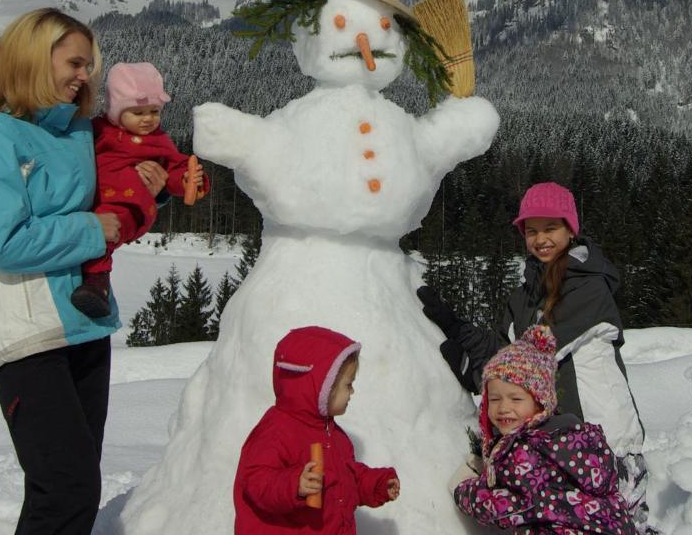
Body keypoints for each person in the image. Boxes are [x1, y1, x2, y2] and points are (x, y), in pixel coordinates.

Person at [0, 8, 167, 534]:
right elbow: (5, 244)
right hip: (27, 335)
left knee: (75, 484)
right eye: (74, 62)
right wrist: (93, 230)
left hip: (86, 324)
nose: (85, 75)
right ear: (31, 58)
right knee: (65, 485)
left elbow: (110, 211)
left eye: (89, 65)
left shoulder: (77, 135)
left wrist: (142, 190)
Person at [418, 181, 651, 532]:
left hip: (604, 443)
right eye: (531, 231)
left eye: (551, 228)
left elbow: (526, 359)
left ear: (571, 229)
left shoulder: (588, 286)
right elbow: (506, 353)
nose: (541, 238)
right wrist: (459, 329)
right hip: (558, 441)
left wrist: (481, 367)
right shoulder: (523, 296)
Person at [453, 324, 635, 534]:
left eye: (516, 398)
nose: (503, 408)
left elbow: (509, 506)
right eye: (494, 399)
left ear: (540, 403)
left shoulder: (525, 452)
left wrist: (465, 491)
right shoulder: (571, 438)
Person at [233, 326, 401, 534]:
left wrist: (376, 484)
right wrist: (294, 485)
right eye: (348, 385)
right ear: (324, 386)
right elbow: (255, 481)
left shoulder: (334, 435)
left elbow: (345, 481)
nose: (352, 391)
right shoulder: (277, 430)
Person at [72, 61, 207, 318]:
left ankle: (96, 284)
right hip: (97, 200)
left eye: (154, 111)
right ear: (115, 111)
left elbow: (174, 168)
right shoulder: (98, 131)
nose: (148, 119)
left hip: (131, 208)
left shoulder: (159, 141)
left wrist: (189, 180)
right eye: (137, 112)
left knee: (103, 239)